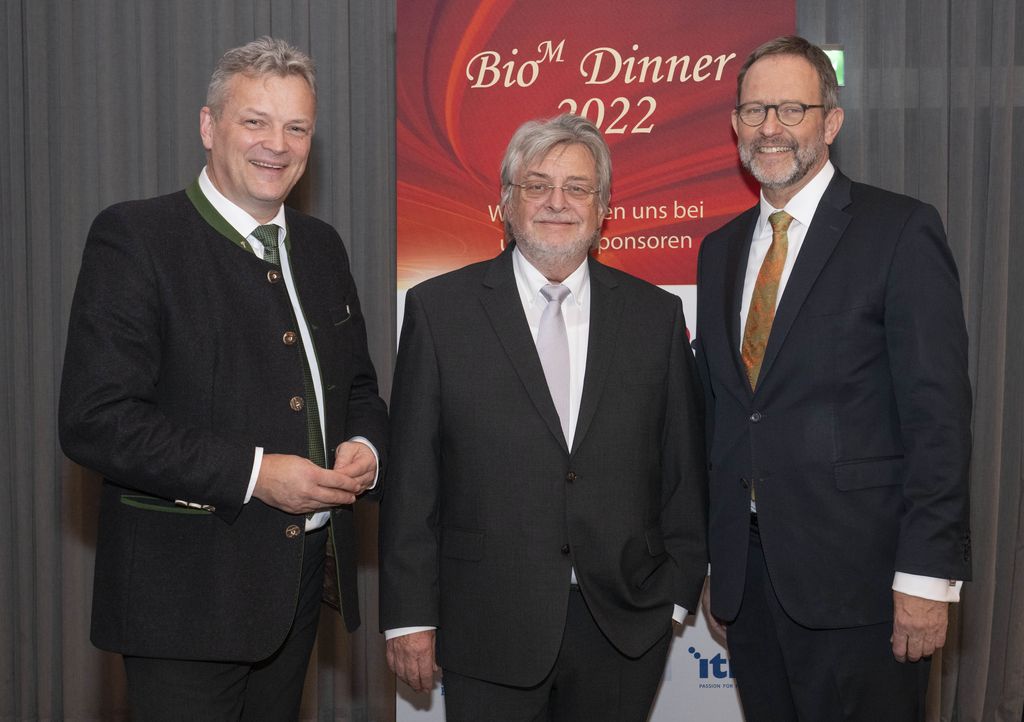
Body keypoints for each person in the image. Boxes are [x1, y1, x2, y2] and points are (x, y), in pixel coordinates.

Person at [58, 37, 387, 721]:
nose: (277, 145)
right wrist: (257, 473)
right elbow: (97, 420)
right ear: (209, 127)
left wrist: (365, 448)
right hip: (184, 598)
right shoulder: (136, 237)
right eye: (255, 121)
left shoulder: (322, 247)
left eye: (297, 127)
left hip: (295, 590)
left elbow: (357, 387)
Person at [379, 113, 708, 722]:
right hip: (486, 621)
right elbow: (412, 481)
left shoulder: (655, 317)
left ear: (603, 207)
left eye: (577, 188)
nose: (558, 202)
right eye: (537, 185)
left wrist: (676, 595)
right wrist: (408, 615)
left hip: (624, 625)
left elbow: (683, 469)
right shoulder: (439, 311)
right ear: (507, 202)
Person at [694, 35, 972, 721]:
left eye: (792, 109)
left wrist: (926, 576)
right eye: (754, 110)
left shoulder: (900, 230)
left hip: (866, 588)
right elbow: (725, 416)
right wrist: (717, 563)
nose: (770, 127)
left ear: (831, 122)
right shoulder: (720, 250)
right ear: (734, 126)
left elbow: (938, 419)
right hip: (751, 583)